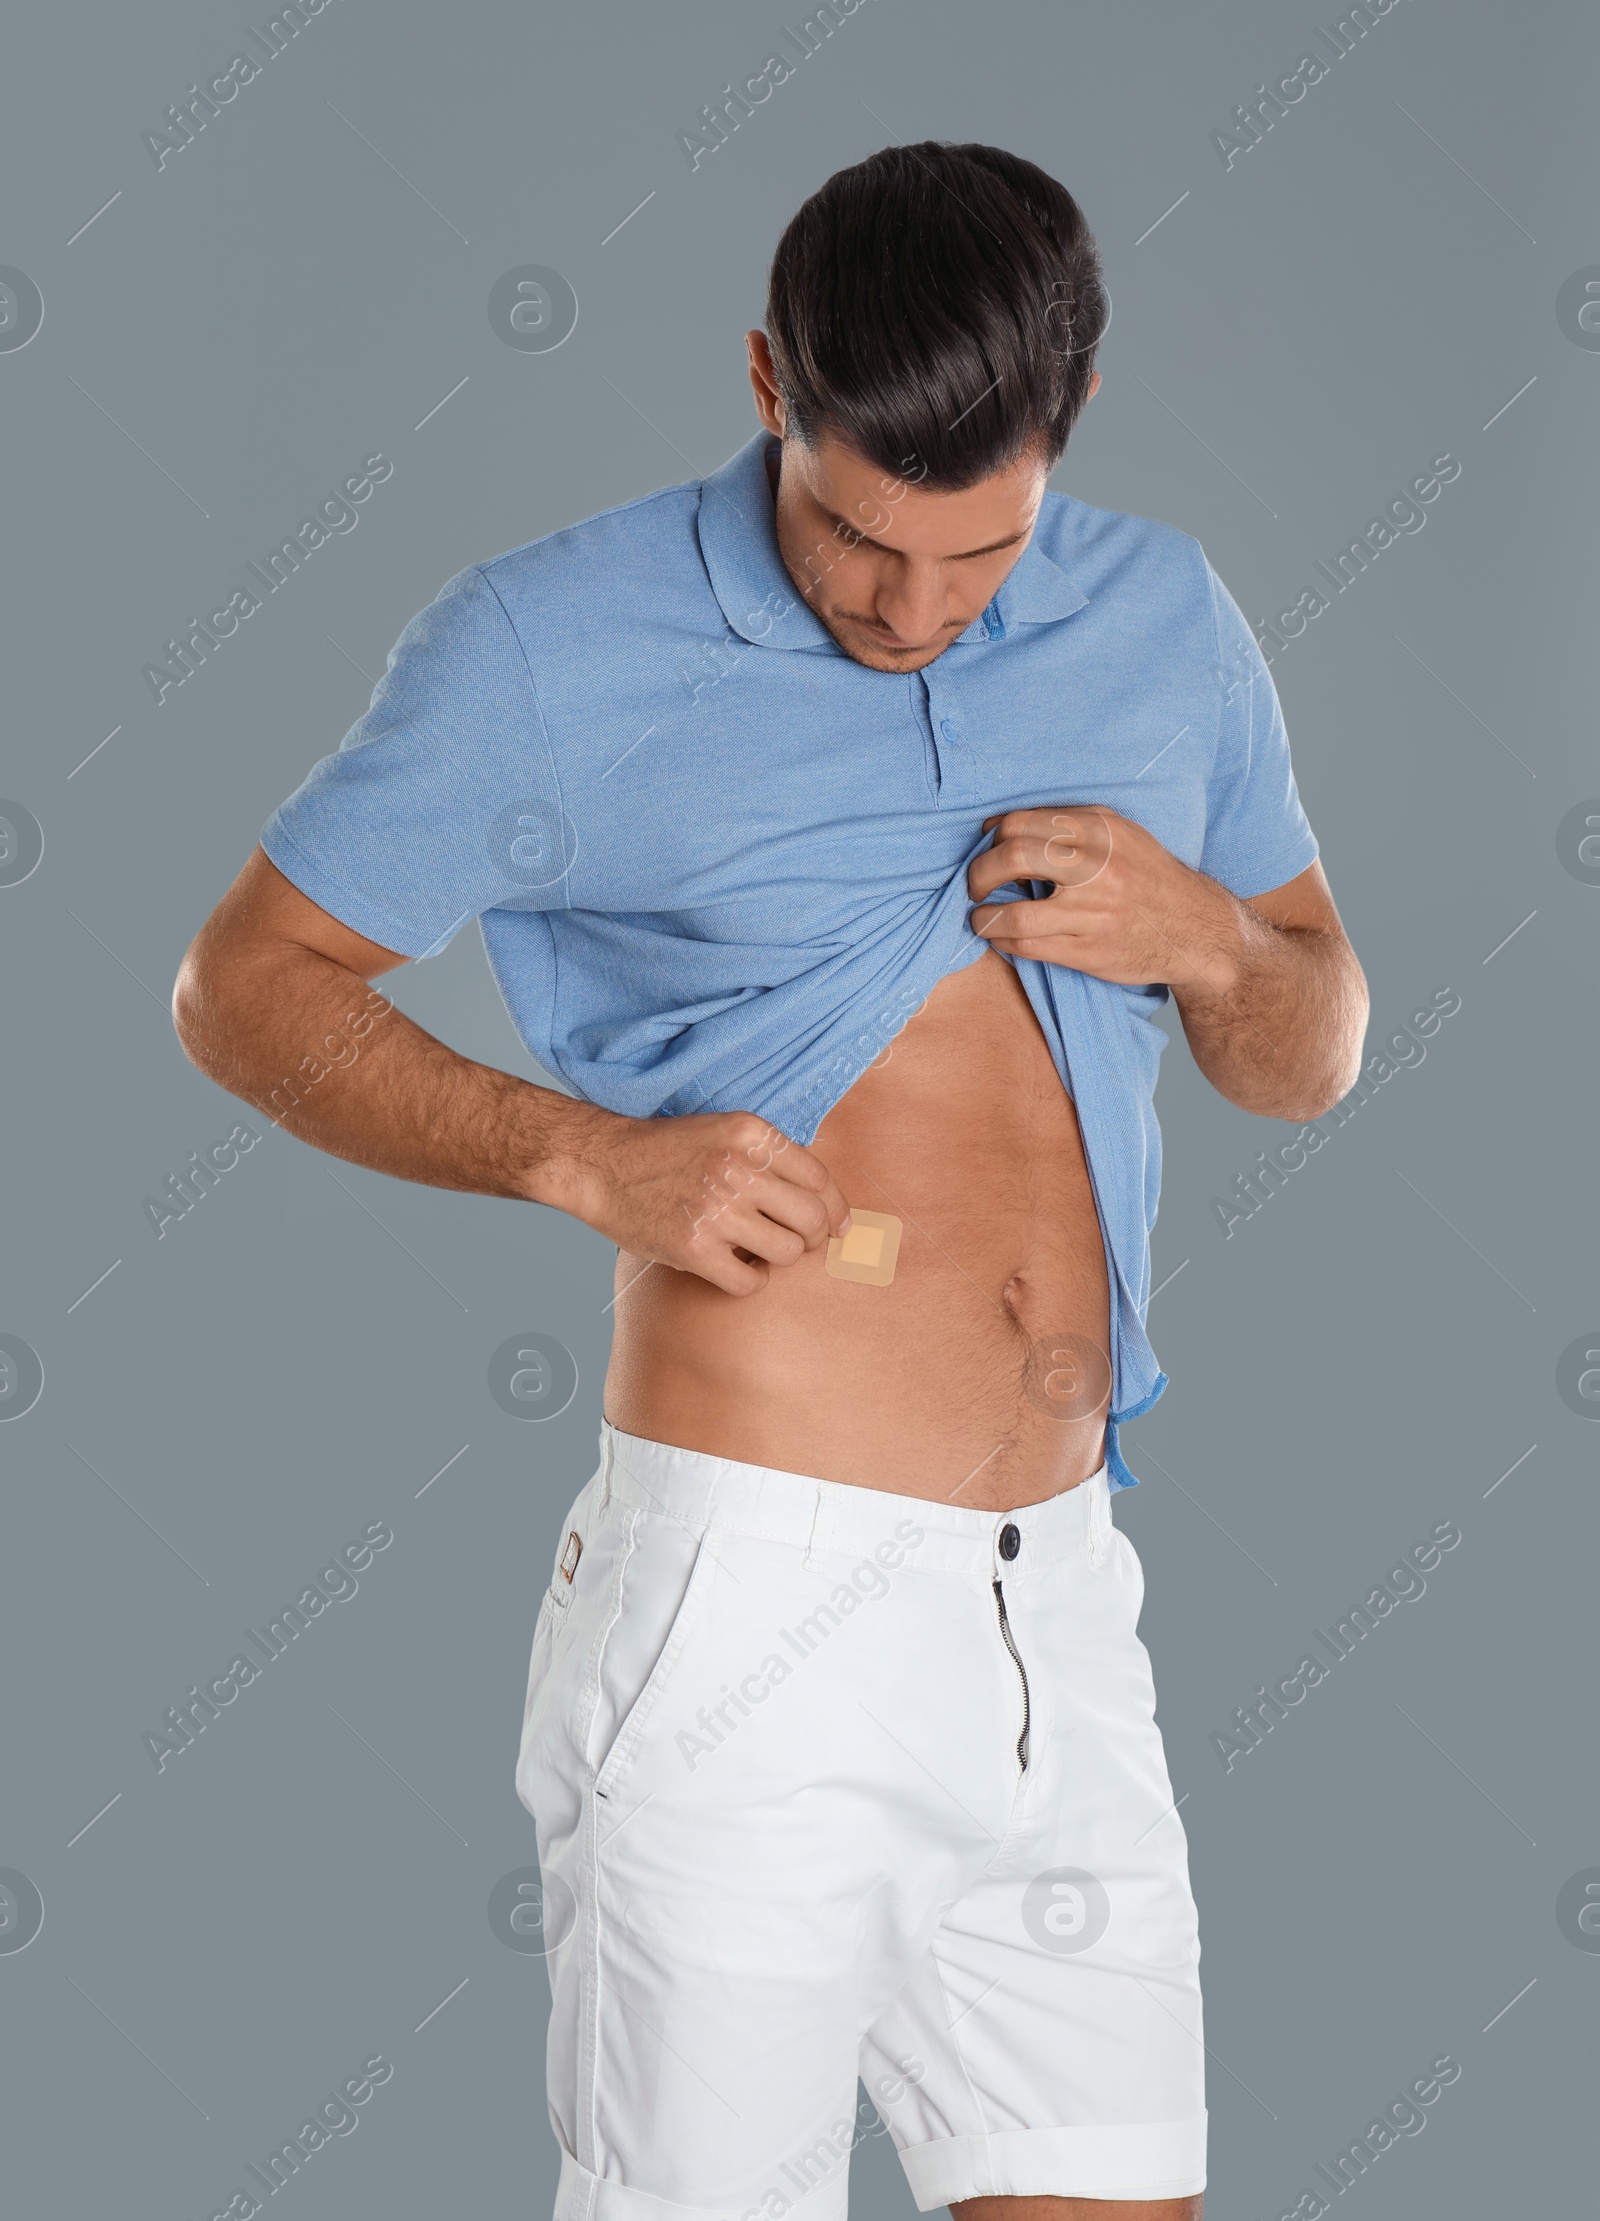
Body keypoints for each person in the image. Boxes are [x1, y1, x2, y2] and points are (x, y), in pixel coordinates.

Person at [175, 142, 1366, 2221]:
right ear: (762, 386)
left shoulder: (1163, 619)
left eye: (972, 558)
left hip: (1055, 1608)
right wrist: (575, 1154)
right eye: (848, 536)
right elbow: (240, 984)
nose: (903, 610)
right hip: (751, 1609)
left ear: (1060, 439)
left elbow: (1310, 1045)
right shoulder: (552, 639)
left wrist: (1200, 938)